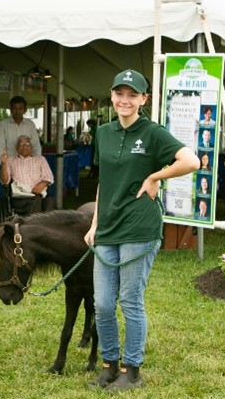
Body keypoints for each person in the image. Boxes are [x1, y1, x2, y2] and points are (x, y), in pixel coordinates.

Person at [83, 69, 199, 392]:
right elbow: (105, 180)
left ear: (143, 99)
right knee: (102, 303)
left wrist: (155, 177)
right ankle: (109, 366)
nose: (125, 100)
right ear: (112, 96)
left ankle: (131, 371)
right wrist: (95, 223)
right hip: (107, 227)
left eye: (133, 95)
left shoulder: (152, 133)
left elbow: (191, 161)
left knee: (130, 301)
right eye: (120, 93)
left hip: (139, 227)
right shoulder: (104, 133)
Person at [0, 135, 54, 215]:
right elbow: (4, 182)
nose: (24, 146)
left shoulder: (40, 159)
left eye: (27, 143)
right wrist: (3, 164)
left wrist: (43, 183)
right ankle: (33, 226)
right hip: (21, 197)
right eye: (21, 144)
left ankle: (44, 225)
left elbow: (49, 176)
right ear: (16, 147)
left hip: (39, 194)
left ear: (31, 147)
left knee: (50, 201)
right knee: (36, 200)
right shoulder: (11, 161)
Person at [0, 95, 41, 162]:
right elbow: (1, 146)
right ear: (10, 109)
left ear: (25, 110)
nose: (17, 111)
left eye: (20, 108)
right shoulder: (3, 124)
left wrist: (38, 162)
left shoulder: (30, 124)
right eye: (14, 108)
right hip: (10, 163)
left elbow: (36, 146)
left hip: (28, 163)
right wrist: (3, 164)